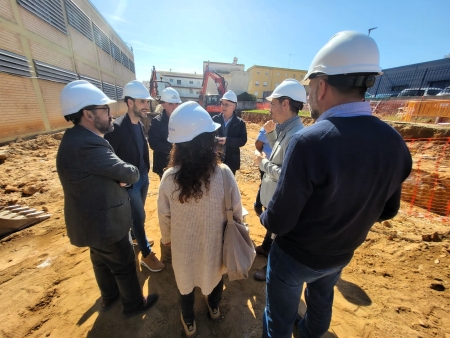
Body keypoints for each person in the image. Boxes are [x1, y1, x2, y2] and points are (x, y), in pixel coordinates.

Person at [260, 31, 413, 338]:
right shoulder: (395, 143)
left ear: (322, 85)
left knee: (277, 315)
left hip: (295, 257)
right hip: (342, 253)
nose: (309, 96)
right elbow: (388, 210)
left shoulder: (309, 142)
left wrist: (264, 215)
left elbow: (279, 218)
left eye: (310, 87)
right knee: (321, 300)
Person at [56, 80, 158, 318]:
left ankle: (110, 297)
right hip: (105, 224)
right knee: (123, 264)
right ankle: (134, 305)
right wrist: (124, 176)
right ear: (88, 114)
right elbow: (128, 172)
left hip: (90, 223)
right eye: (104, 110)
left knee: (100, 261)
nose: (110, 114)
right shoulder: (88, 144)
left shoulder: (75, 138)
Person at [158, 101, 243, 337]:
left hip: (183, 248)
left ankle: (189, 321)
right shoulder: (224, 174)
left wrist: (168, 240)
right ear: (208, 141)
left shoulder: (168, 179)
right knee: (215, 277)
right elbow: (237, 211)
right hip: (216, 245)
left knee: (184, 284)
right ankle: (214, 308)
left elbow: (164, 216)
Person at [104, 80, 164, 273]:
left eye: (147, 102)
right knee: (139, 216)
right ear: (130, 102)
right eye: (142, 102)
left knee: (138, 214)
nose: (147, 106)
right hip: (130, 183)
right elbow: (108, 158)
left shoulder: (138, 124)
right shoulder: (117, 128)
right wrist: (117, 179)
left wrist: (145, 170)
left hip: (143, 177)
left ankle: (136, 237)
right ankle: (146, 254)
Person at [252, 79, 306, 282]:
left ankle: (269, 269)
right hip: (274, 194)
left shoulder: (295, 135)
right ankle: (266, 248)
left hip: (280, 195)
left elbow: (285, 173)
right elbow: (281, 154)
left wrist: (262, 163)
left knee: (279, 236)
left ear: (285, 104)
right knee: (272, 229)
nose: (269, 108)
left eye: (272, 104)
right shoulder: (287, 129)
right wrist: (272, 134)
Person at [148, 87, 182, 179]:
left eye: (177, 104)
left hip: (180, 165)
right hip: (164, 165)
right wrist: (174, 148)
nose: (174, 107)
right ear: (163, 104)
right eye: (170, 104)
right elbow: (154, 143)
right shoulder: (157, 122)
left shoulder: (183, 120)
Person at [212, 90, 247, 175]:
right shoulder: (215, 119)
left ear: (234, 106)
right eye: (222, 104)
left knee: (229, 185)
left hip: (231, 161)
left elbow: (243, 140)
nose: (223, 106)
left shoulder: (240, 123)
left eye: (226, 104)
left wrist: (227, 141)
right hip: (216, 160)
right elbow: (208, 136)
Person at [253, 126, 272, 215]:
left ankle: (258, 204)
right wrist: (263, 159)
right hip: (266, 163)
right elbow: (258, 145)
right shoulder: (268, 127)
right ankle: (259, 206)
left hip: (277, 166)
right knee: (265, 184)